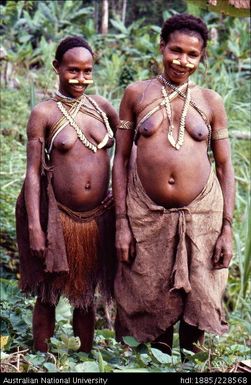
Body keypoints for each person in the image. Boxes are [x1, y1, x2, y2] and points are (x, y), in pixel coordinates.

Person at [113, 14, 235, 357]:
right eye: (175, 50)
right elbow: (120, 160)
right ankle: (158, 362)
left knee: (200, 297)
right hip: (146, 215)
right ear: (161, 47)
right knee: (151, 299)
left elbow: (225, 167)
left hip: (203, 215)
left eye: (192, 54)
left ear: (202, 57)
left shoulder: (211, 102)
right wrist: (121, 222)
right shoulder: (136, 94)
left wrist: (226, 227)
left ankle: (190, 367)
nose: (182, 60)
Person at [16, 36, 119, 353]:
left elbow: (131, 148)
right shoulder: (44, 113)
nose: (81, 79)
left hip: (96, 219)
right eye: (73, 71)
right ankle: (40, 360)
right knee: (47, 294)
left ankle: (85, 358)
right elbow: (32, 173)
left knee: (85, 297)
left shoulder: (101, 107)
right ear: (56, 68)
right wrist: (36, 225)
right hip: (57, 218)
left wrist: (122, 192)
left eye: (88, 71)